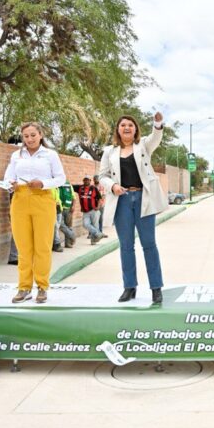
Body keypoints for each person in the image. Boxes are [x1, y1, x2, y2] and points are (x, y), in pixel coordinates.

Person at [99, 112, 168, 304]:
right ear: (118, 130)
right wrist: (112, 186)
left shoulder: (144, 145)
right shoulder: (109, 151)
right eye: (123, 125)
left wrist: (157, 123)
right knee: (126, 246)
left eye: (130, 124)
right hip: (121, 201)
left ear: (135, 129)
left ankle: (156, 288)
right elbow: (102, 175)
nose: (127, 127)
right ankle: (129, 287)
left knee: (149, 244)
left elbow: (156, 137)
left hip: (143, 199)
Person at [3, 122, 66, 304]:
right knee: (23, 248)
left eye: (33, 135)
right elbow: (8, 177)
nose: (29, 139)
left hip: (43, 199)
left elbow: (60, 178)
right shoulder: (16, 155)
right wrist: (10, 184)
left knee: (42, 247)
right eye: (26, 136)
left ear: (40, 135)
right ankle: (24, 288)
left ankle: (42, 287)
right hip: (20, 200)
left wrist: (43, 183)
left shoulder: (50, 155)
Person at [76, 176, 104, 244]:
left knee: (95, 225)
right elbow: (70, 186)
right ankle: (98, 233)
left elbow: (100, 198)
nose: (86, 181)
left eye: (87, 180)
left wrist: (98, 206)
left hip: (93, 210)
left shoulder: (94, 188)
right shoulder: (80, 188)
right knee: (85, 224)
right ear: (83, 181)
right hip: (85, 211)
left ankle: (93, 241)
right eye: (85, 180)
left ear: (90, 181)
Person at [58, 181, 77, 248]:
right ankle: (72, 235)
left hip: (68, 209)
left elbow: (73, 197)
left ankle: (68, 243)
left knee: (68, 226)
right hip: (59, 209)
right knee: (60, 225)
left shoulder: (68, 184)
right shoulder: (56, 184)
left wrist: (73, 206)